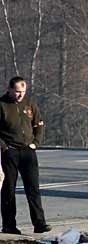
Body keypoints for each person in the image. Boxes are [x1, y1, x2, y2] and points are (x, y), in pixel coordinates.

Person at [0, 76, 51, 234]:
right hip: (9, 152)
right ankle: (9, 225)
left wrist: (36, 142)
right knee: (8, 190)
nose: (20, 95)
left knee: (33, 188)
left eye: (22, 92)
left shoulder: (29, 104)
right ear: (9, 90)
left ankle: (39, 223)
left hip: (28, 151)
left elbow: (39, 124)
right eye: (16, 92)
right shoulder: (2, 105)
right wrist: (4, 147)